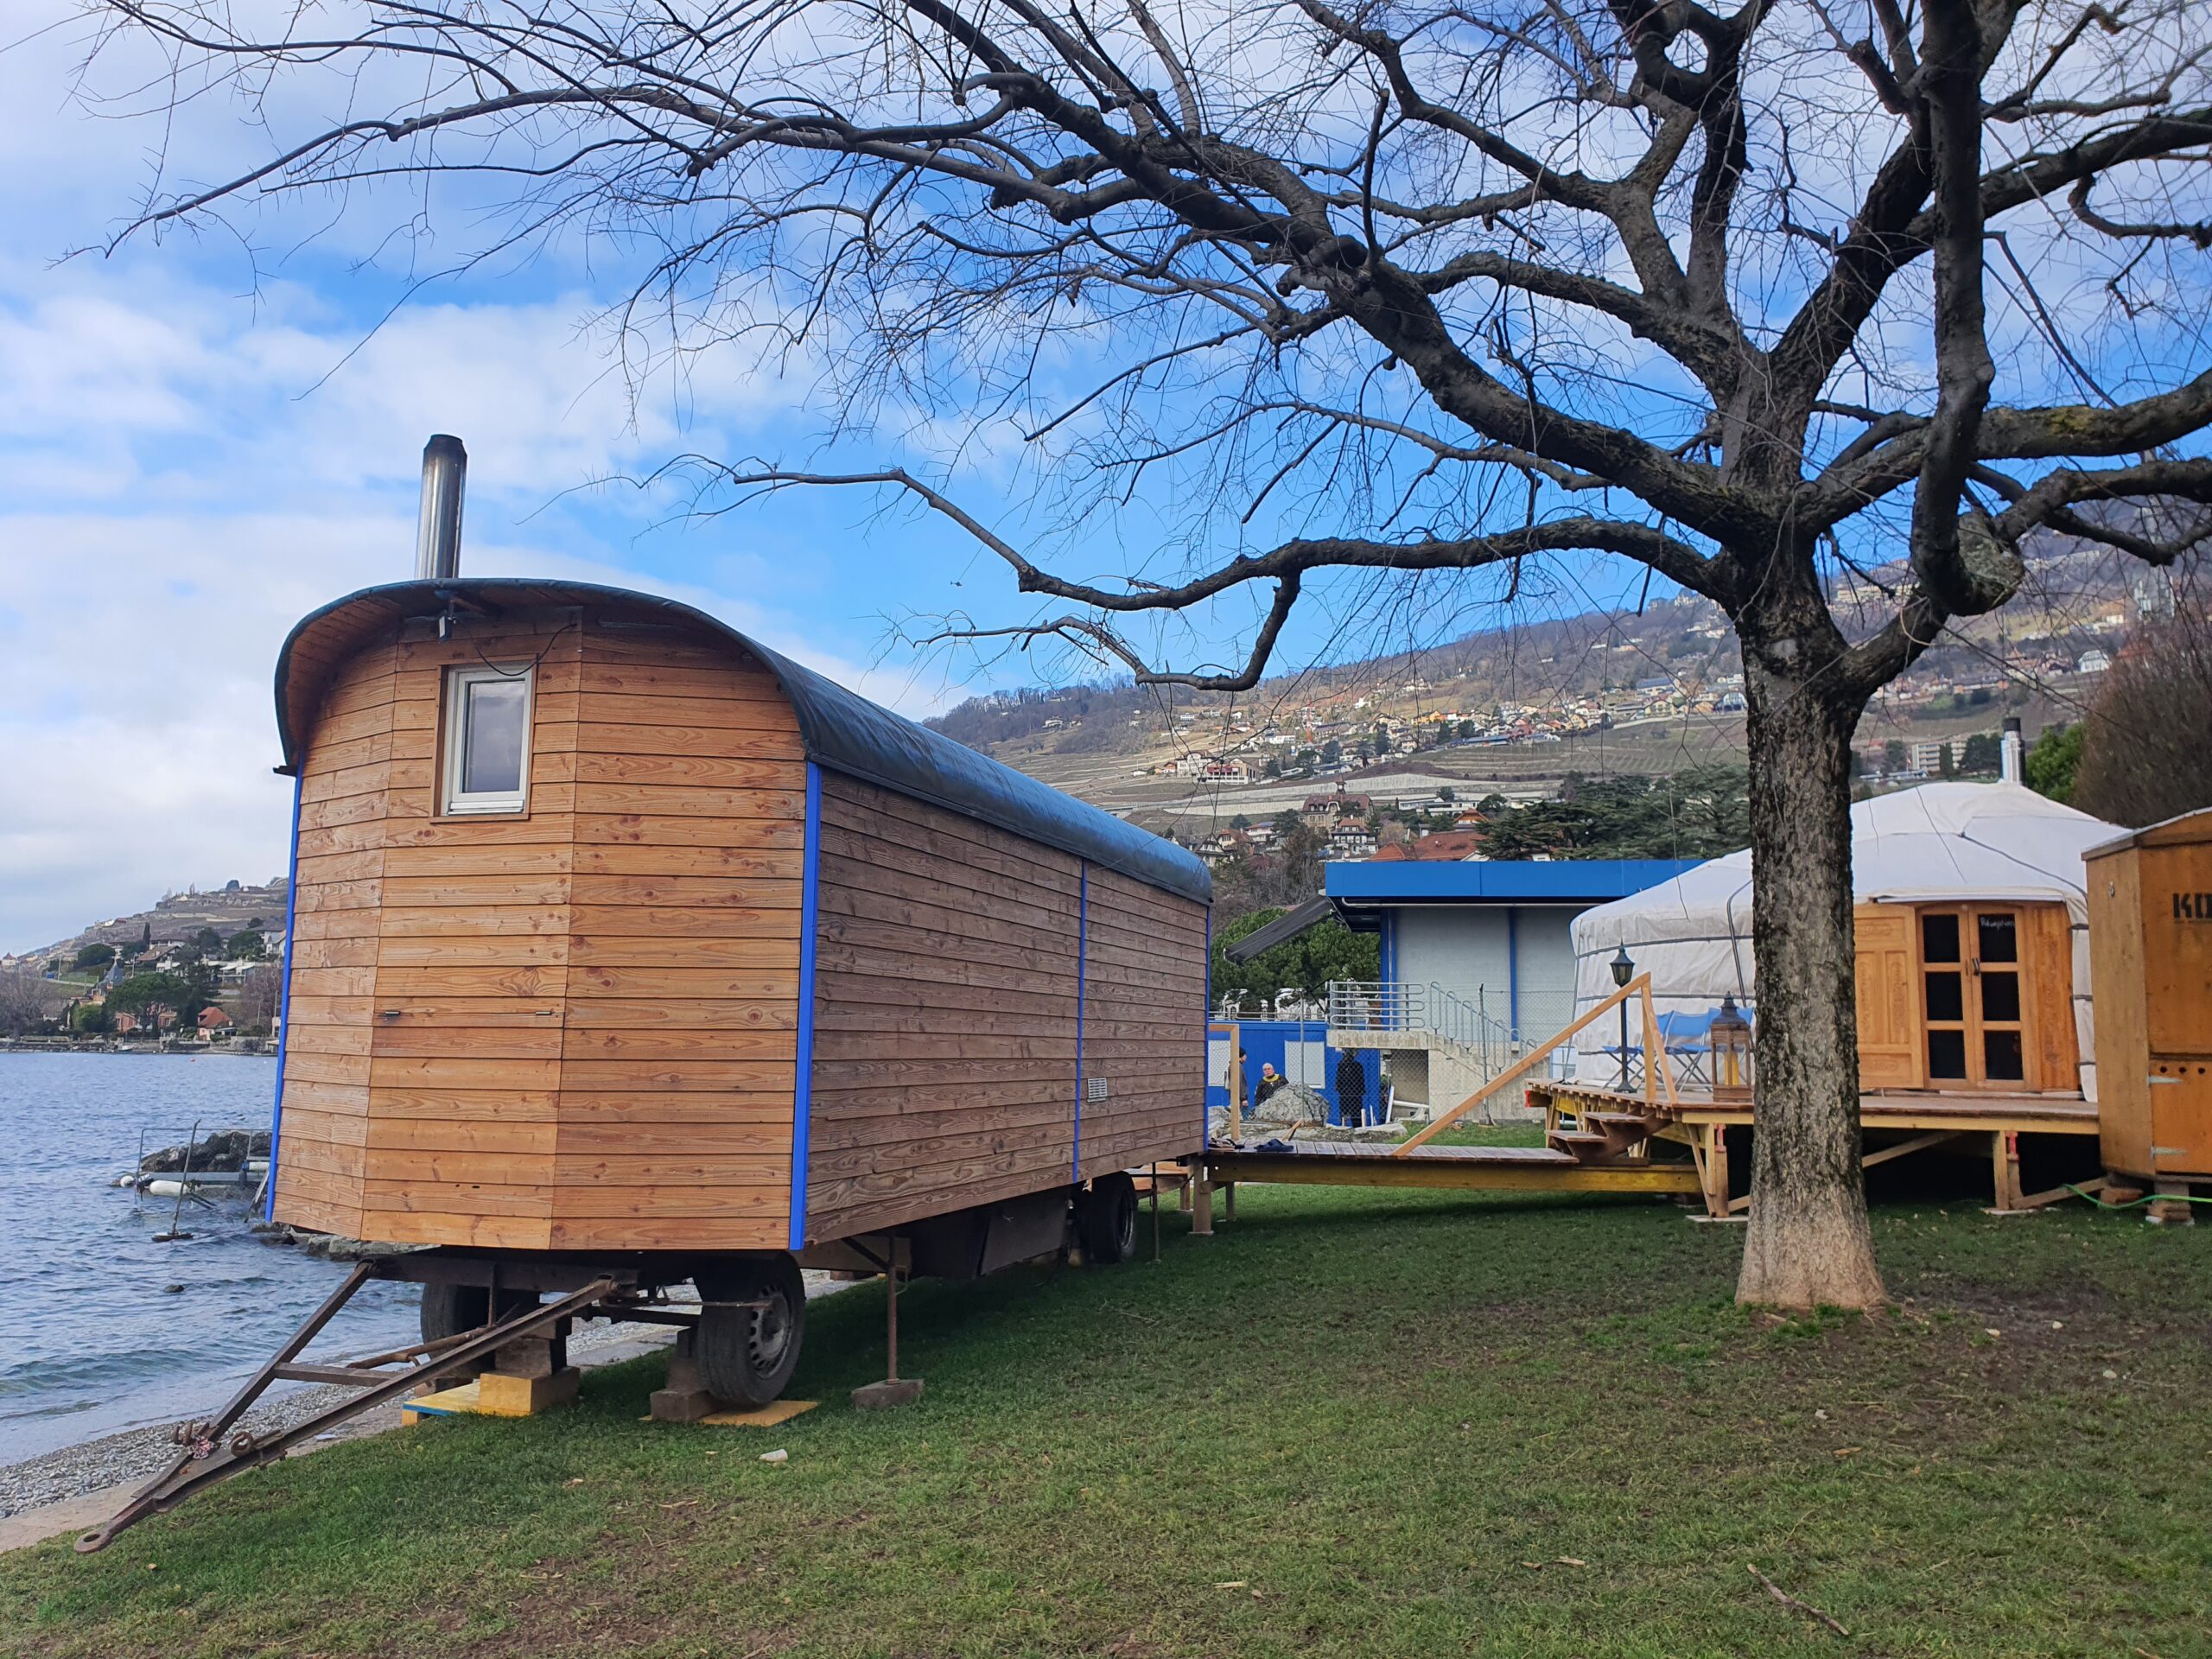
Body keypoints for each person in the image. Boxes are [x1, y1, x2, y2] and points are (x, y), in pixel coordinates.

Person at [1336, 1050, 1367, 1129]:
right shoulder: (1341, 1065)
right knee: (1347, 1112)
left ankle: (1356, 1128)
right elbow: (1339, 1079)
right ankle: (1345, 1126)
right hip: (1348, 1092)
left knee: (1355, 1113)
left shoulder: (1357, 1066)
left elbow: (1360, 1079)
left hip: (1353, 1092)